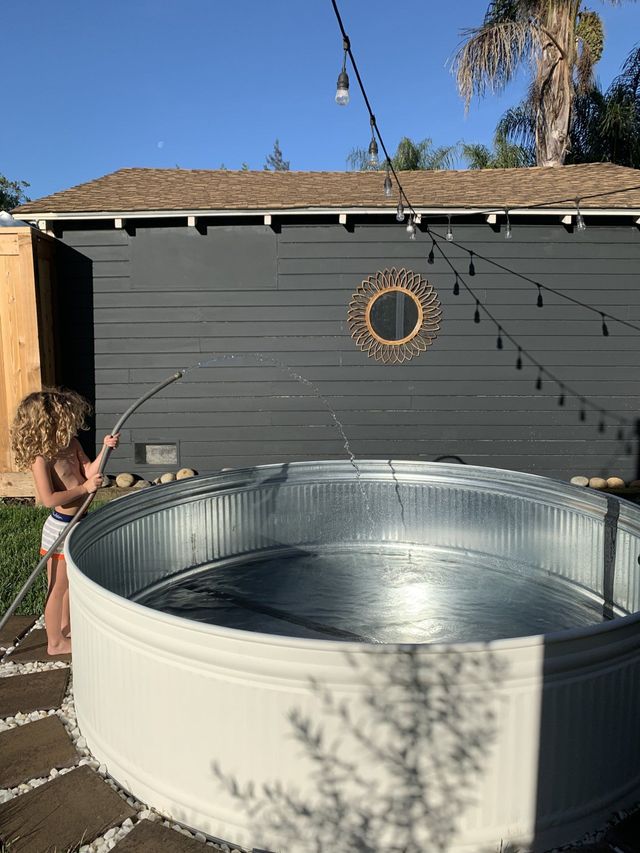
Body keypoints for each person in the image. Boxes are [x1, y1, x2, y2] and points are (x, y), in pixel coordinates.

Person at [10, 388, 119, 655]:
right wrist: (84, 490)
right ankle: (55, 643)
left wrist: (106, 449)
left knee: (72, 582)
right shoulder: (42, 459)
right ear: (49, 422)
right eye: (66, 417)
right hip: (60, 527)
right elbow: (48, 499)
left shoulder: (72, 444)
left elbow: (88, 472)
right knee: (57, 587)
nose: (72, 423)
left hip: (79, 523)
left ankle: (67, 629)